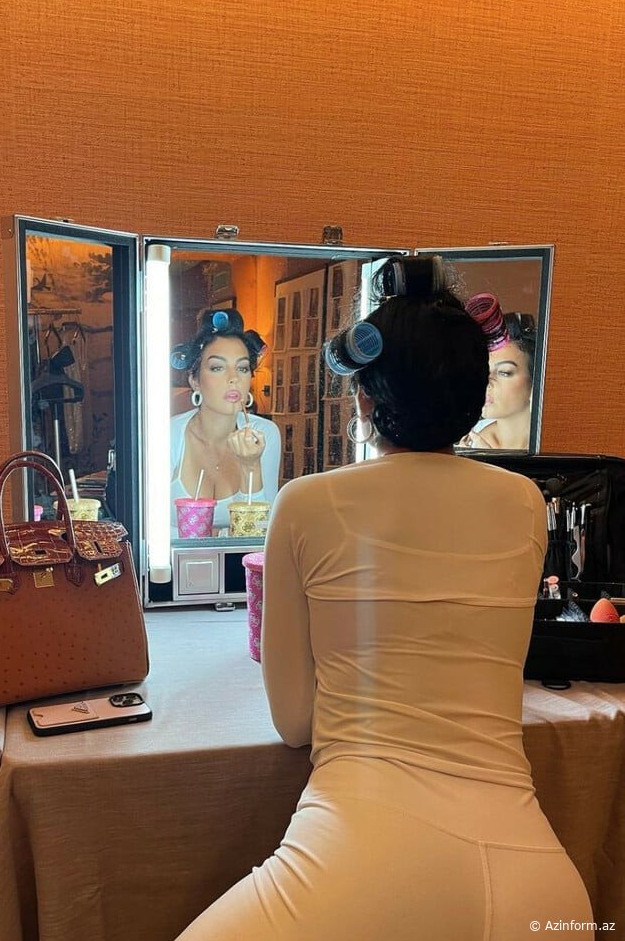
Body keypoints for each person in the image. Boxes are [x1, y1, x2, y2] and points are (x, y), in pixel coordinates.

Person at [175, 256, 592, 940]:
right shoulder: (525, 503)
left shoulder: (305, 504)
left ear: (364, 400)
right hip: (542, 891)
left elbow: (295, 724)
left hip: (359, 865)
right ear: (472, 395)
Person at [170, 309, 281, 533]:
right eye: (217, 368)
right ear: (195, 380)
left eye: (242, 368)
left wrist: (250, 466)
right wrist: (222, 535)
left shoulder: (264, 434)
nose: (233, 378)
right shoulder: (168, 435)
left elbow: (262, 532)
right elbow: (148, 528)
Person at [460, 294, 536, 450]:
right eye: (483, 369)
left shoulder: (554, 444)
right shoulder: (467, 442)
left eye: (504, 372)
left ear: (534, 381)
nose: (486, 381)